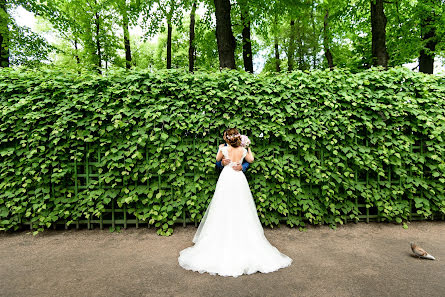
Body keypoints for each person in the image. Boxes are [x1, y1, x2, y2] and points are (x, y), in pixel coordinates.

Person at [178, 128, 292, 278]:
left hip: (227, 177)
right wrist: (247, 149)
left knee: (226, 204)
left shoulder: (223, 148)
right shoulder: (243, 150)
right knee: (239, 204)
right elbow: (247, 159)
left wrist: (223, 154)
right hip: (238, 180)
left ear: (227, 137)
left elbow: (219, 159)